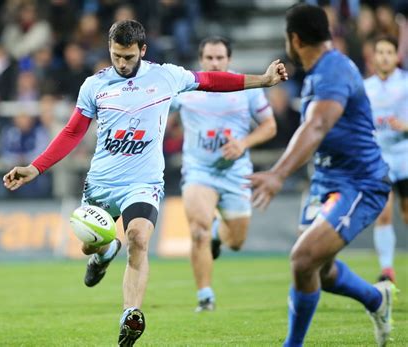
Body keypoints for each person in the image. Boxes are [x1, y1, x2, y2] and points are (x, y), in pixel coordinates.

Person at [3, 19, 287, 346]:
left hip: (144, 182)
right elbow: (72, 132)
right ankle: (105, 250)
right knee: (89, 244)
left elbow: (210, 80)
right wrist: (35, 168)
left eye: (128, 57)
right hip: (102, 183)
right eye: (115, 56)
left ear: (143, 50)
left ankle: (130, 315)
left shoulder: (165, 76)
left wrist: (263, 80)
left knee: (138, 237)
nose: (121, 64)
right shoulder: (94, 86)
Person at [249, 5, 397, 347]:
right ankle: (376, 300)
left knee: (302, 260)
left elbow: (316, 126)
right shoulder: (320, 71)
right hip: (328, 180)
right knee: (319, 269)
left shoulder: (332, 71)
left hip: (360, 183)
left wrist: (277, 173)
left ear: (294, 39)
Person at [170, 36, 277, 312]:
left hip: (235, 172)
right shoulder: (185, 87)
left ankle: (219, 232)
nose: (214, 63)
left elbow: (269, 126)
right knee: (197, 231)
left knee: (237, 241)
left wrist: (243, 143)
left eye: (219, 58)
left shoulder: (247, 88)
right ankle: (205, 296)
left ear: (229, 60)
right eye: (209, 58)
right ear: (200, 59)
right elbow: (158, 110)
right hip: (198, 171)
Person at [364, 36, 408, 283]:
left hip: (405, 155)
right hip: (380, 157)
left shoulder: (405, 83)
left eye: (389, 52)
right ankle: (387, 270)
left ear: (396, 56)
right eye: (379, 52)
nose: (384, 56)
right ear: (373, 57)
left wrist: (405, 126)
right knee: (383, 212)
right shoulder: (365, 87)